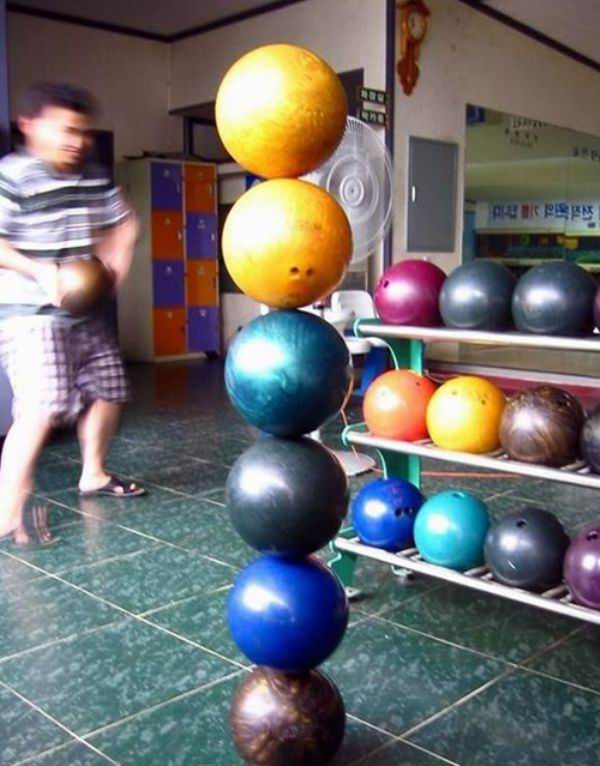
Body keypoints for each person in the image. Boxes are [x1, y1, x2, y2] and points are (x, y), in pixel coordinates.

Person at [0, 82, 144, 547]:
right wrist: (41, 270)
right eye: (64, 130)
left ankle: (94, 474)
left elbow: (124, 221)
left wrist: (118, 255)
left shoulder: (91, 176)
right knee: (42, 407)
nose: (75, 141)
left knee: (109, 389)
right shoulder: (13, 176)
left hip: (84, 308)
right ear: (29, 125)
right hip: (30, 314)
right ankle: (6, 511)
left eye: (81, 132)